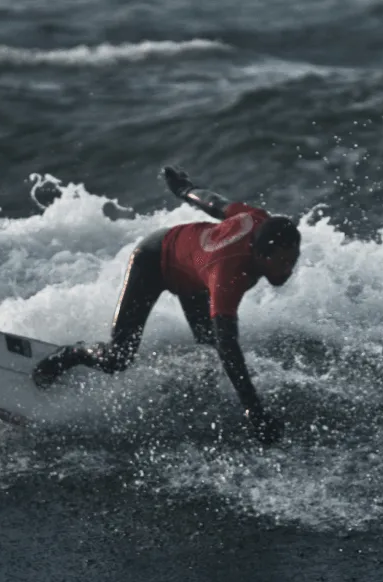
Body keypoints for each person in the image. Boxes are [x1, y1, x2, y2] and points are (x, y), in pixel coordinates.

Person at [32, 166, 301, 445]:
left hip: (192, 269)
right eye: (281, 262)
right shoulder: (228, 276)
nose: (288, 269)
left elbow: (216, 204)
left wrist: (185, 189)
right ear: (259, 254)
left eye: (292, 259)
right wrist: (254, 411)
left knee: (208, 347)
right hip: (154, 260)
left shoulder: (260, 221)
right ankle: (72, 353)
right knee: (118, 358)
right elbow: (229, 345)